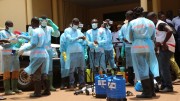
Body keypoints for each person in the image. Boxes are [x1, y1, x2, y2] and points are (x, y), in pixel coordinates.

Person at [127, 7, 159, 98]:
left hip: (138, 48)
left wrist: (136, 39)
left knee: (142, 69)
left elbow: (129, 38)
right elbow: (153, 36)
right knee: (150, 68)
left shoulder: (132, 23)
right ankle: (152, 91)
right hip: (149, 46)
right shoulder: (150, 22)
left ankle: (146, 92)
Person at [18, 17, 50, 97]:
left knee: (36, 74)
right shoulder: (41, 30)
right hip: (44, 54)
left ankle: (37, 93)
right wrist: (23, 36)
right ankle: (47, 91)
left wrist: (24, 49)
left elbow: (33, 44)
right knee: (43, 73)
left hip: (37, 55)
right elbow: (33, 39)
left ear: (32, 22)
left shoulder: (35, 31)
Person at [148, 12, 175, 92]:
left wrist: (163, 43)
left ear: (155, 17)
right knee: (160, 67)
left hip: (167, 47)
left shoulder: (160, 24)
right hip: (163, 48)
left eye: (150, 19)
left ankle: (169, 86)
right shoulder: (156, 26)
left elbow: (170, 31)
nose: (150, 22)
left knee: (164, 67)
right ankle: (163, 85)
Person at [0, 21, 22, 95]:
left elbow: (15, 44)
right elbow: (2, 44)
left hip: (13, 52)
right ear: (6, 26)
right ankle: (7, 90)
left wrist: (18, 42)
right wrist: (10, 42)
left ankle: (14, 88)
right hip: (6, 53)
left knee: (16, 68)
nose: (11, 27)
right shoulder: (2, 33)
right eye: (10, 26)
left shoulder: (12, 34)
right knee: (7, 70)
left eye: (12, 26)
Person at [64, 18, 86, 90]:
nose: (76, 25)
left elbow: (84, 41)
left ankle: (82, 84)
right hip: (72, 52)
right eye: (75, 23)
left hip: (80, 51)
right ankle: (72, 84)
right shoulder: (67, 30)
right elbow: (70, 40)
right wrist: (78, 38)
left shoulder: (79, 31)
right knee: (72, 69)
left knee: (81, 68)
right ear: (72, 23)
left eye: (77, 24)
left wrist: (83, 39)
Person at [39, 16, 60, 91]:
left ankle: (50, 86)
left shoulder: (49, 28)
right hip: (40, 51)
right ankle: (42, 87)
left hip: (48, 51)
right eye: (42, 20)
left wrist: (53, 24)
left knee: (49, 69)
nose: (44, 22)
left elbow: (57, 34)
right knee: (41, 69)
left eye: (45, 20)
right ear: (40, 21)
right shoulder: (38, 29)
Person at [159, 13, 180, 83]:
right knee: (167, 63)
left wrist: (164, 42)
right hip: (168, 45)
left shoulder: (167, 25)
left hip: (169, 45)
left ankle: (178, 75)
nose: (163, 19)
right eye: (161, 18)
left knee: (171, 61)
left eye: (164, 17)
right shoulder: (161, 25)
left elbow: (173, 32)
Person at [119, 10, 134, 86]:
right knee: (130, 64)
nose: (127, 17)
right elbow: (120, 35)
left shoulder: (135, 23)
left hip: (136, 46)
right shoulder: (124, 26)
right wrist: (123, 39)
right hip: (128, 47)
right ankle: (131, 80)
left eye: (128, 16)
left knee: (137, 63)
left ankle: (138, 80)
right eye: (126, 16)